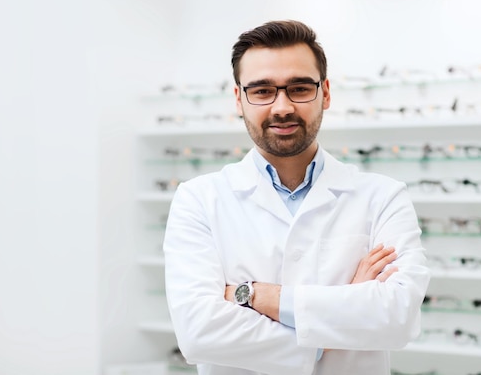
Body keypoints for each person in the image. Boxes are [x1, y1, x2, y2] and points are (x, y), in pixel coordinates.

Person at [163, 20, 430, 375]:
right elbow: (198, 333)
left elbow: (398, 316)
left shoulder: (382, 197)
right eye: (261, 91)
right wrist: (336, 326)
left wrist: (255, 295)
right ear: (239, 99)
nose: (282, 107)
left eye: (300, 88)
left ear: (326, 93)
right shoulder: (198, 199)